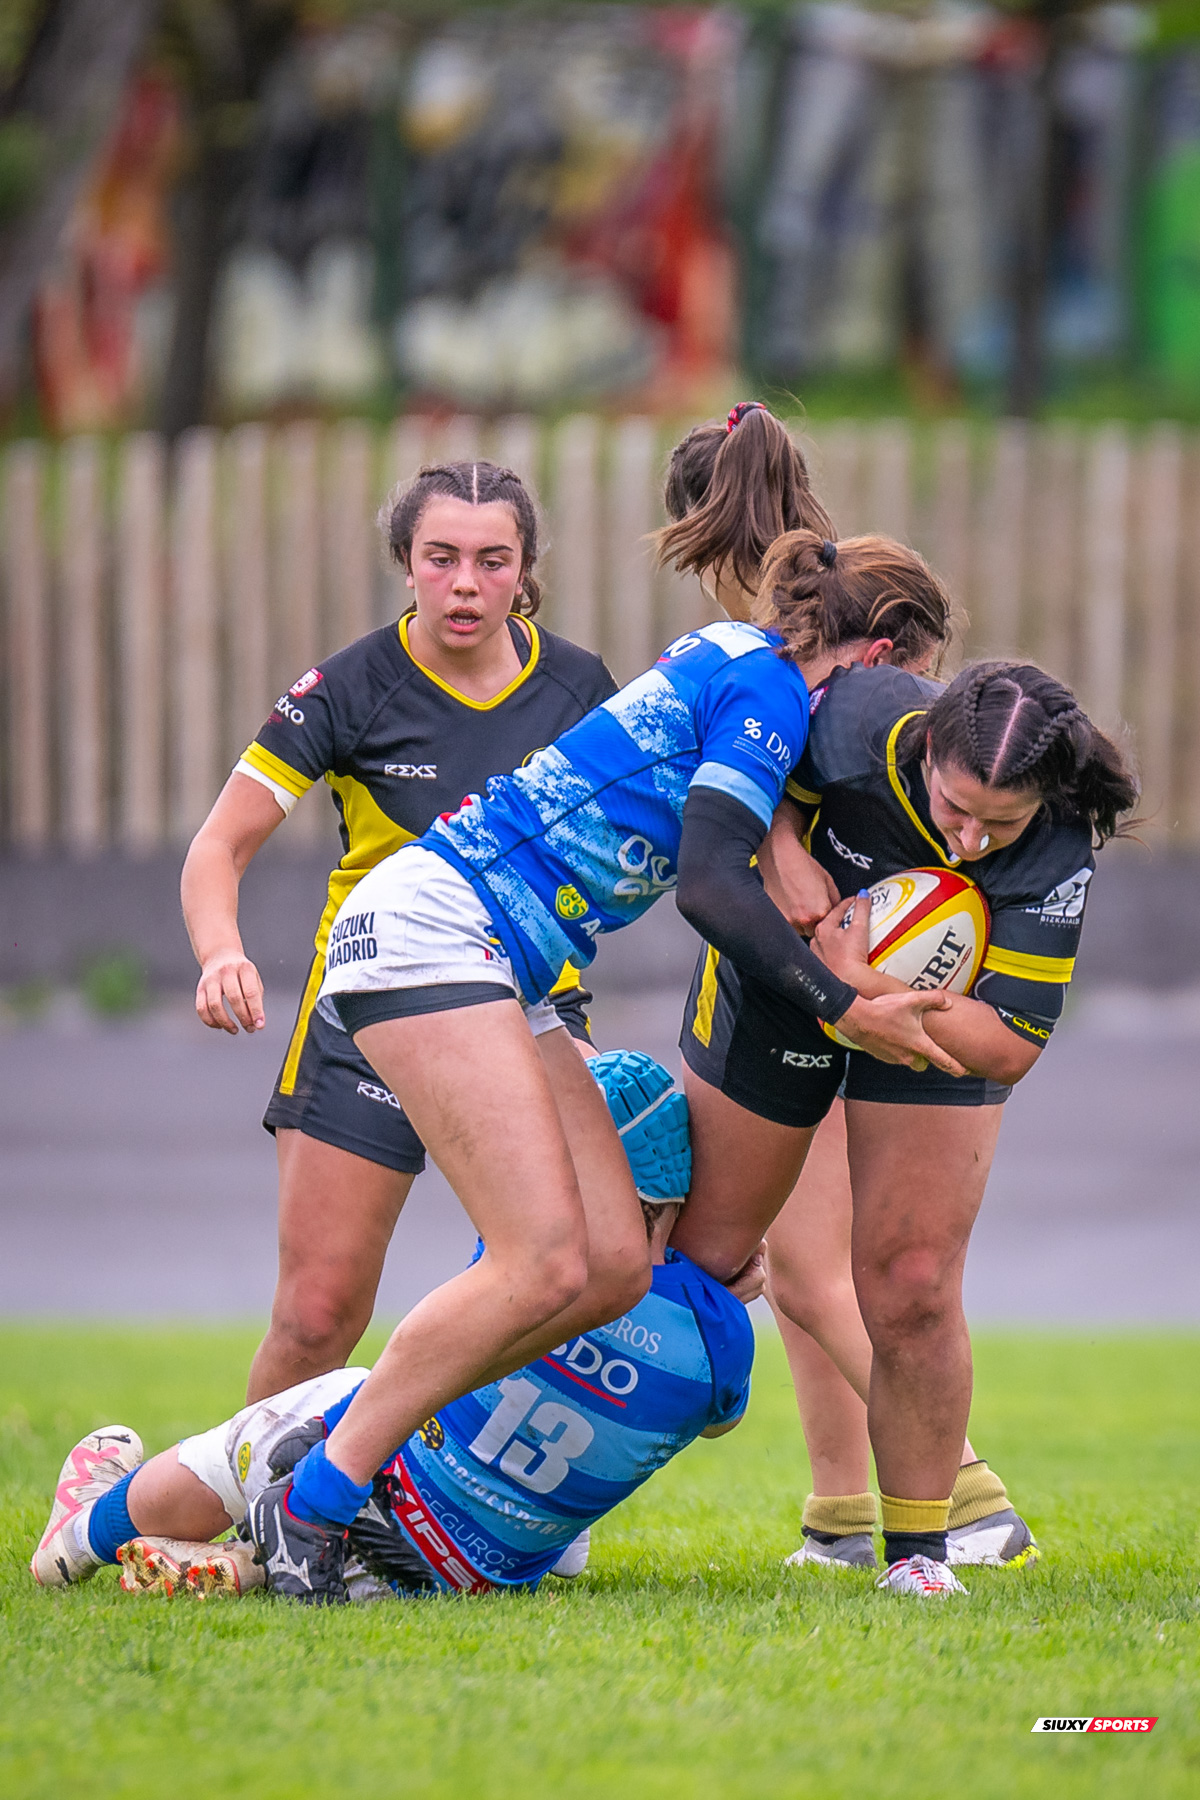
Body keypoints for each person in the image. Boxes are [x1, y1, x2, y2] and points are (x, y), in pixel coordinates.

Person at [238, 495, 967, 1594]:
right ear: (872, 655)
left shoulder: (747, 665)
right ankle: (313, 1503)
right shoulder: (769, 687)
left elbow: (724, 804)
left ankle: (350, 1458)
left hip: (507, 960)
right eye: (901, 693)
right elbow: (713, 887)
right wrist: (839, 1004)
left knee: (617, 1267)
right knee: (543, 1260)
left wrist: (785, 846)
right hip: (442, 925)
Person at [657, 401, 1036, 1575]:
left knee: (810, 1262)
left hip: (815, 973)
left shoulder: (795, 648)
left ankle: (969, 1496)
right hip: (841, 963)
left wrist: (782, 852)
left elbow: (780, 782)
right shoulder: (831, 625)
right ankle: (839, 1515)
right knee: (805, 1254)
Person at [672, 651, 1138, 1597]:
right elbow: (759, 798)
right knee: (704, 1253)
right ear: (925, 749)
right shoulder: (850, 725)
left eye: (996, 823)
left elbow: (1007, 1044)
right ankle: (537, 1519)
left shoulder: (1055, 842)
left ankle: (922, 1558)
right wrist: (786, 849)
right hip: (777, 982)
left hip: (933, 1025)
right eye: (954, 806)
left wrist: (867, 982)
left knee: (913, 1284)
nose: (966, 839)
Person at [180, 461, 617, 1404]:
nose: (466, 584)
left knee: (567, 1276)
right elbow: (219, 846)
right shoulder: (351, 687)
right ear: (406, 563)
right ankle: (248, 1522)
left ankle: (476, 1495)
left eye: (493, 561)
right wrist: (222, 951)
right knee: (316, 1315)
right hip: (369, 1005)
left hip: (530, 1009)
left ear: (526, 569)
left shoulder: (581, 690)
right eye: (442, 557)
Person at [31, 1054, 760, 1605]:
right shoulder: (719, 1338)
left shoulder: (532, 1268)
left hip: (386, 1487)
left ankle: (83, 1533)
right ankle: (244, 1564)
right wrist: (714, 1296)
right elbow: (718, 1423)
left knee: (272, 1433)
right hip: (467, 1575)